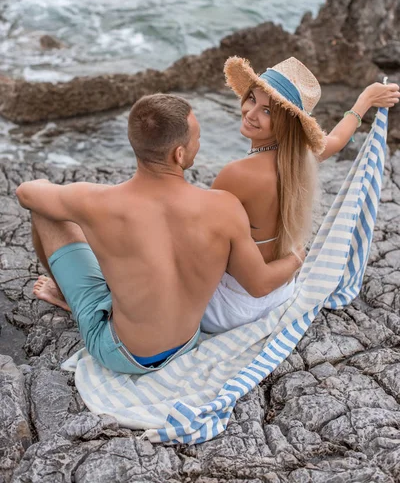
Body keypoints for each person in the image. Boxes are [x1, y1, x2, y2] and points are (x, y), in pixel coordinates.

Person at [16, 94, 303, 375]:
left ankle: (65, 293)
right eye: (197, 138)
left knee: (48, 212)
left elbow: (25, 193)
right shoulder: (224, 207)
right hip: (187, 342)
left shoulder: (97, 201)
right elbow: (260, 284)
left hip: (122, 354)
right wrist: (296, 258)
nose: (198, 144)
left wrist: (64, 193)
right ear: (179, 154)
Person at [201, 56, 400, 333]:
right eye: (251, 99)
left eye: (268, 111)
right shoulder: (299, 161)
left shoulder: (237, 175)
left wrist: (299, 257)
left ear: (287, 123)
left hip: (232, 308)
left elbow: (202, 247)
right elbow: (338, 140)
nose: (251, 112)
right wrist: (364, 100)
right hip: (281, 293)